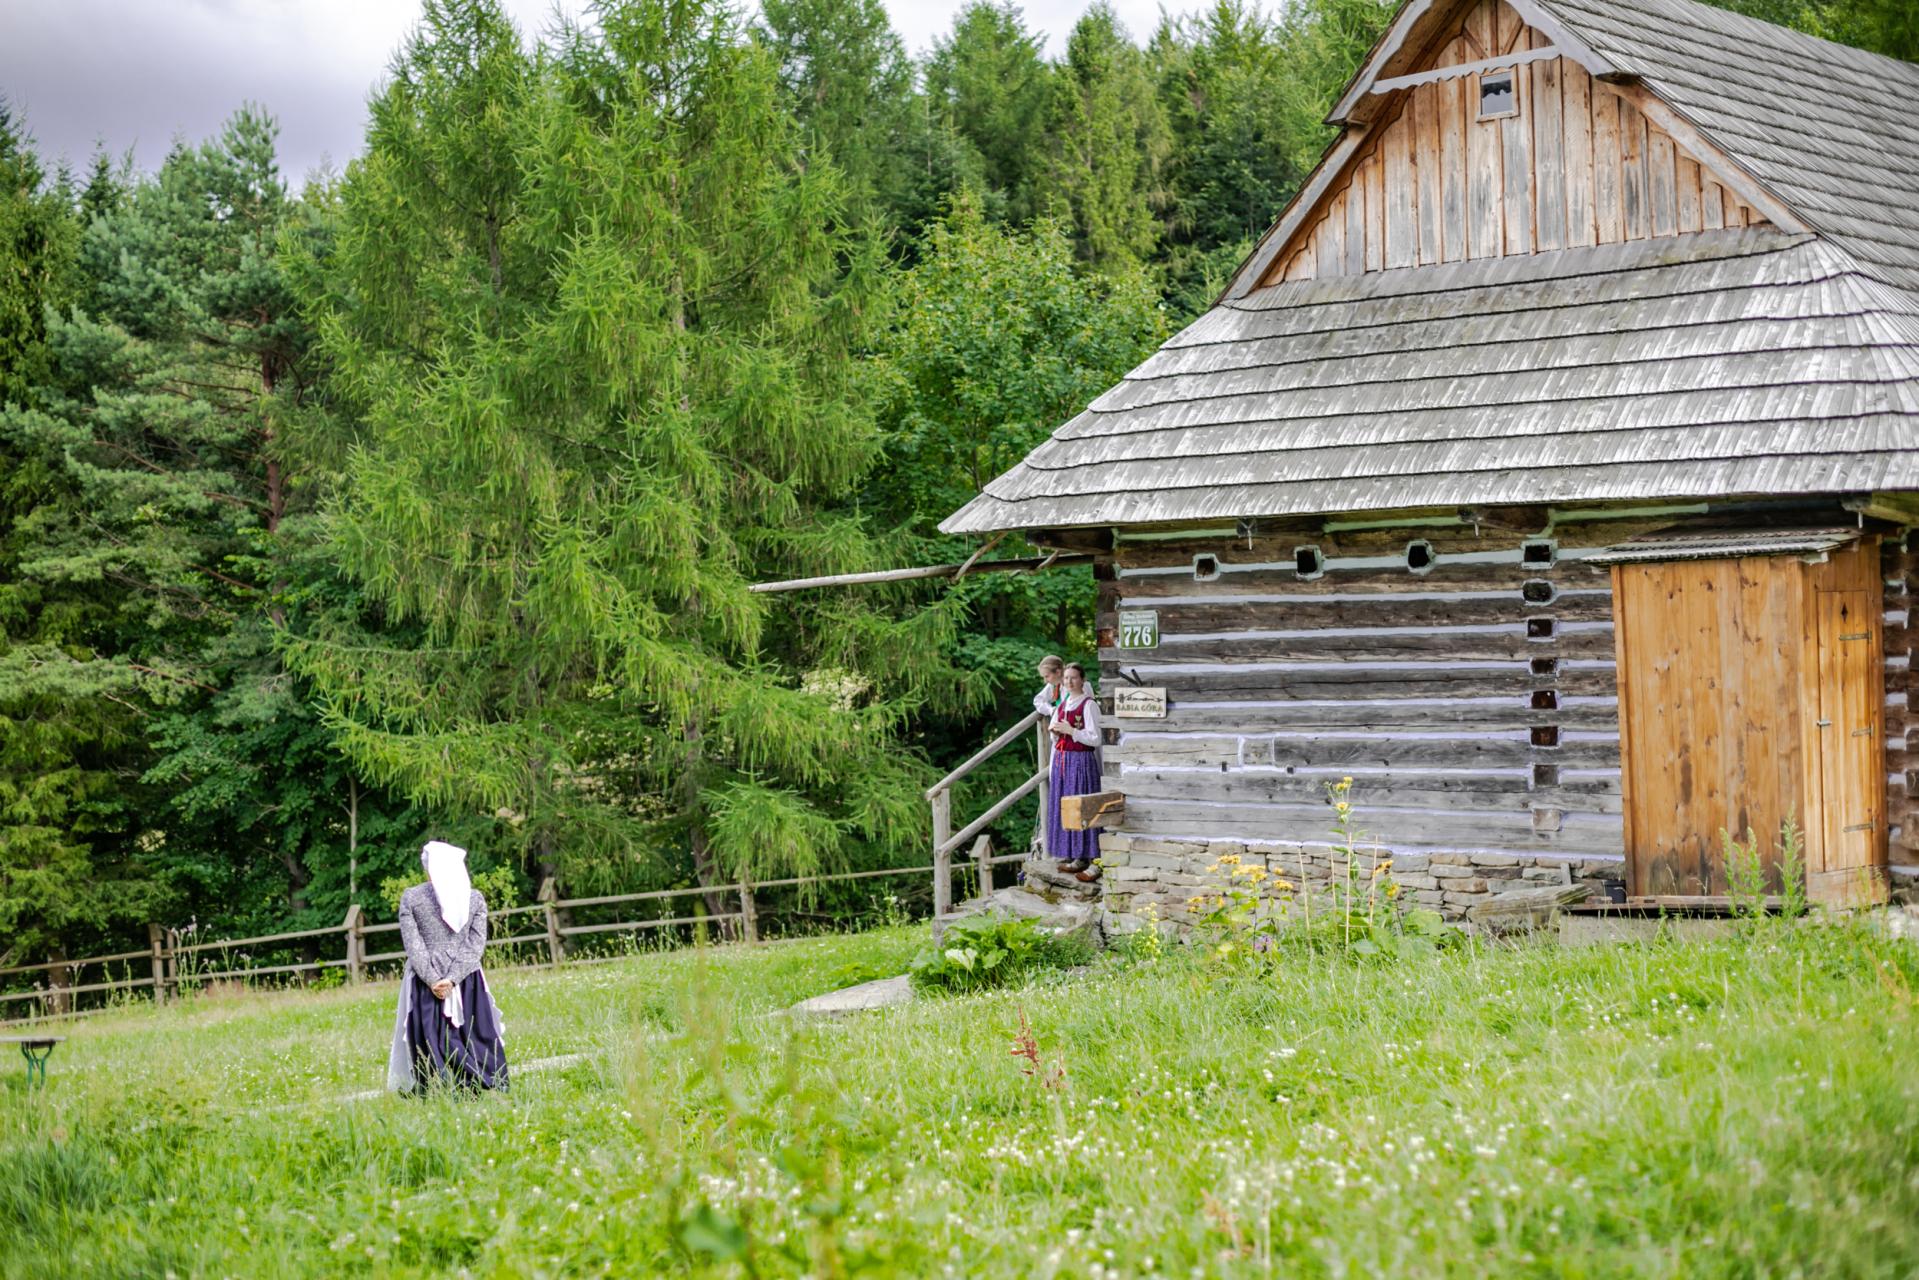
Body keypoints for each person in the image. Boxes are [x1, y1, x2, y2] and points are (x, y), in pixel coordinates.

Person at [387, 840, 509, 1094]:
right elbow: (473, 945)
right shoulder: (471, 899)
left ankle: (441, 1088)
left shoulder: (416, 897)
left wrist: (437, 978)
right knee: (464, 1034)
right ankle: (474, 1085)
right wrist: (447, 978)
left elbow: (416, 946)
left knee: (435, 1036)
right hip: (459, 978)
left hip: (437, 980)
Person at [1044, 662, 1105, 881]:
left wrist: (1072, 731)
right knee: (1069, 809)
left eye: (1074, 678)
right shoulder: (1063, 704)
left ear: (1082, 680)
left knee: (1085, 809)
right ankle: (1078, 856)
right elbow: (1055, 731)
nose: (1069, 682)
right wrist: (1056, 733)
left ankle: (1096, 861)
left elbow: (1096, 738)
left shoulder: (1088, 705)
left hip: (1080, 762)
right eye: (1066, 678)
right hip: (1063, 761)